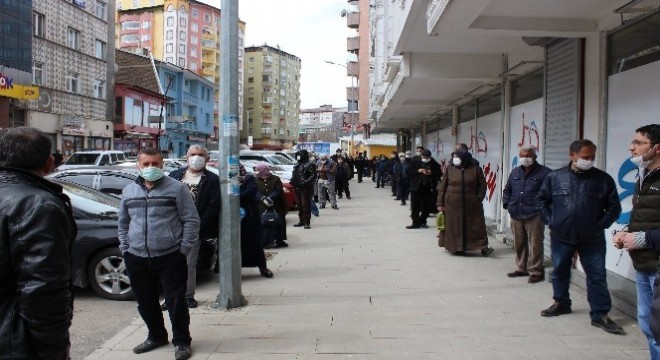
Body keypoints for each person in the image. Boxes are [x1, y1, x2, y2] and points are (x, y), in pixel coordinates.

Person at [0, 127, 77, 360]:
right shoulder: (38, 205)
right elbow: (44, 291)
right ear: (49, 163)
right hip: (14, 343)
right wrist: (54, 351)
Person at [118, 147, 200, 359]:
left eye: (155, 164)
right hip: (136, 256)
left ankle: (181, 341)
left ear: (162, 165)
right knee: (145, 301)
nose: (151, 168)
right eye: (146, 164)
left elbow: (191, 220)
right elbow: (123, 223)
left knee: (175, 302)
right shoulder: (129, 191)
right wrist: (125, 248)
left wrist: (184, 248)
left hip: (170, 255)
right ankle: (156, 336)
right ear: (138, 165)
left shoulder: (177, 189)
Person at [536, 139, 623, 334]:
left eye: (592, 157)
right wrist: (551, 220)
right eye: (585, 157)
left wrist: (599, 226)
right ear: (572, 155)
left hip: (592, 239)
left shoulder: (603, 180)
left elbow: (614, 208)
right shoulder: (555, 178)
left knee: (597, 275)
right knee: (559, 271)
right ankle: (561, 302)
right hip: (561, 235)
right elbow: (541, 201)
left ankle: (600, 313)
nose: (589, 160)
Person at [612, 125, 660, 354]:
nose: (632, 147)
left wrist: (642, 238)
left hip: (656, 264)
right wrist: (626, 233)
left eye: (639, 142)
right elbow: (645, 216)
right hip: (643, 263)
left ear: (657, 148)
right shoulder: (645, 176)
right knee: (647, 325)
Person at [167, 145, 220, 309]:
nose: (196, 157)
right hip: (171, 229)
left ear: (207, 158)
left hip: (194, 230)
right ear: (186, 156)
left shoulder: (211, 179)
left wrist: (197, 226)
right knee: (169, 265)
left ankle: (187, 296)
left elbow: (213, 206)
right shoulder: (174, 175)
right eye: (193, 154)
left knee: (189, 264)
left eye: (200, 155)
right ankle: (170, 297)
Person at [502, 145, 551, 283]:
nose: (525, 158)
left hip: (534, 215)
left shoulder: (545, 173)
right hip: (516, 214)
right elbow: (507, 190)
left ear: (535, 157)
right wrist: (507, 204)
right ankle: (521, 268)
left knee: (535, 244)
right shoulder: (515, 172)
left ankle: (536, 271)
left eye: (528, 156)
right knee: (519, 243)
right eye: (522, 156)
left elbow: (550, 194)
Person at [436, 144, 493, 256]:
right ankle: (456, 247)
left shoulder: (475, 168)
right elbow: (442, 187)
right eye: (455, 154)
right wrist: (440, 203)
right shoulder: (450, 168)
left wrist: (478, 198)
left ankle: (482, 247)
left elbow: (482, 185)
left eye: (458, 154)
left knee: (476, 226)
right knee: (454, 226)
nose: (456, 157)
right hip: (452, 204)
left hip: (471, 203)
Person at [238, 164, 274, 278]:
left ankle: (262, 267)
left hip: (248, 217)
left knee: (254, 243)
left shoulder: (248, 179)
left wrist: (233, 196)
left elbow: (251, 191)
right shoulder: (223, 180)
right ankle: (230, 271)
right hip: (229, 219)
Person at [254, 162, 288, 248]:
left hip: (276, 204)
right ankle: (265, 242)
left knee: (278, 222)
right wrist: (262, 199)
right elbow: (255, 192)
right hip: (261, 206)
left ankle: (279, 240)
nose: (257, 172)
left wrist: (270, 198)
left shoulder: (275, 179)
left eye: (258, 170)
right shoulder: (255, 180)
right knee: (264, 223)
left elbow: (278, 190)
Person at [407, 149, 441, 229]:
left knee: (426, 206)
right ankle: (415, 222)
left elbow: (439, 173)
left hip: (428, 187)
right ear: (421, 156)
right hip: (416, 187)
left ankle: (423, 221)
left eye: (427, 157)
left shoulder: (433, 163)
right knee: (415, 205)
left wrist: (431, 172)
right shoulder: (415, 161)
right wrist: (418, 171)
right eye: (424, 157)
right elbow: (408, 171)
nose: (426, 159)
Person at [290, 149, 317, 229]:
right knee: (299, 205)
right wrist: (292, 181)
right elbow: (294, 175)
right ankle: (301, 220)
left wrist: (304, 183)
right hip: (297, 187)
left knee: (305, 205)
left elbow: (313, 176)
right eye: (297, 155)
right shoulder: (296, 165)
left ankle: (306, 222)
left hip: (305, 188)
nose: (298, 157)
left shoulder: (309, 164)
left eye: (300, 155)